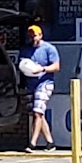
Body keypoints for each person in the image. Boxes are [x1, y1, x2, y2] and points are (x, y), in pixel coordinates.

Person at [20, 24, 60, 152]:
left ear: (41, 35)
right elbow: (22, 65)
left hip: (45, 83)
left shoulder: (49, 49)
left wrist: (42, 69)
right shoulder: (25, 49)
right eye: (31, 35)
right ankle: (50, 143)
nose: (33, 37)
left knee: (37, 112)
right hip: (31, 84)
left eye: (35, 35)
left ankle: (32, 143)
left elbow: (56, 66)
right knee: (38, 113)